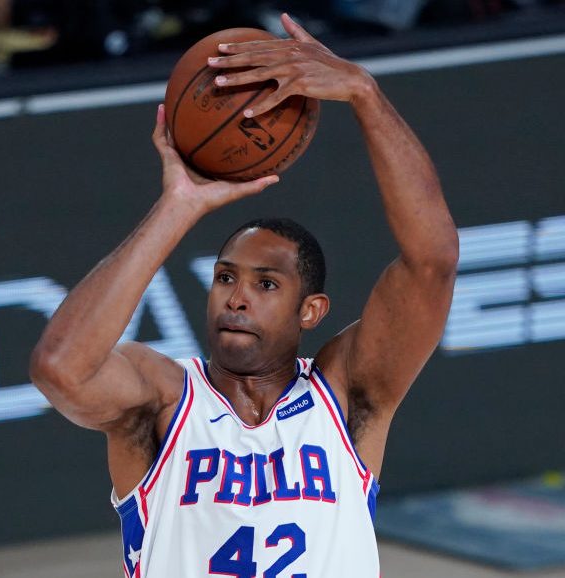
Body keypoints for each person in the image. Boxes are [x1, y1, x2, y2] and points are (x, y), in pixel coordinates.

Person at [30, 13, 458, 577]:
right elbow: (59, 368)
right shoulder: (164, 399)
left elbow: (432, 263)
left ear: (311, 310)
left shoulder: (348, 395)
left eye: (266, 284)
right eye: (225, 277)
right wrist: (177, 207)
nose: (236, 298)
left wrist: (364, 93)